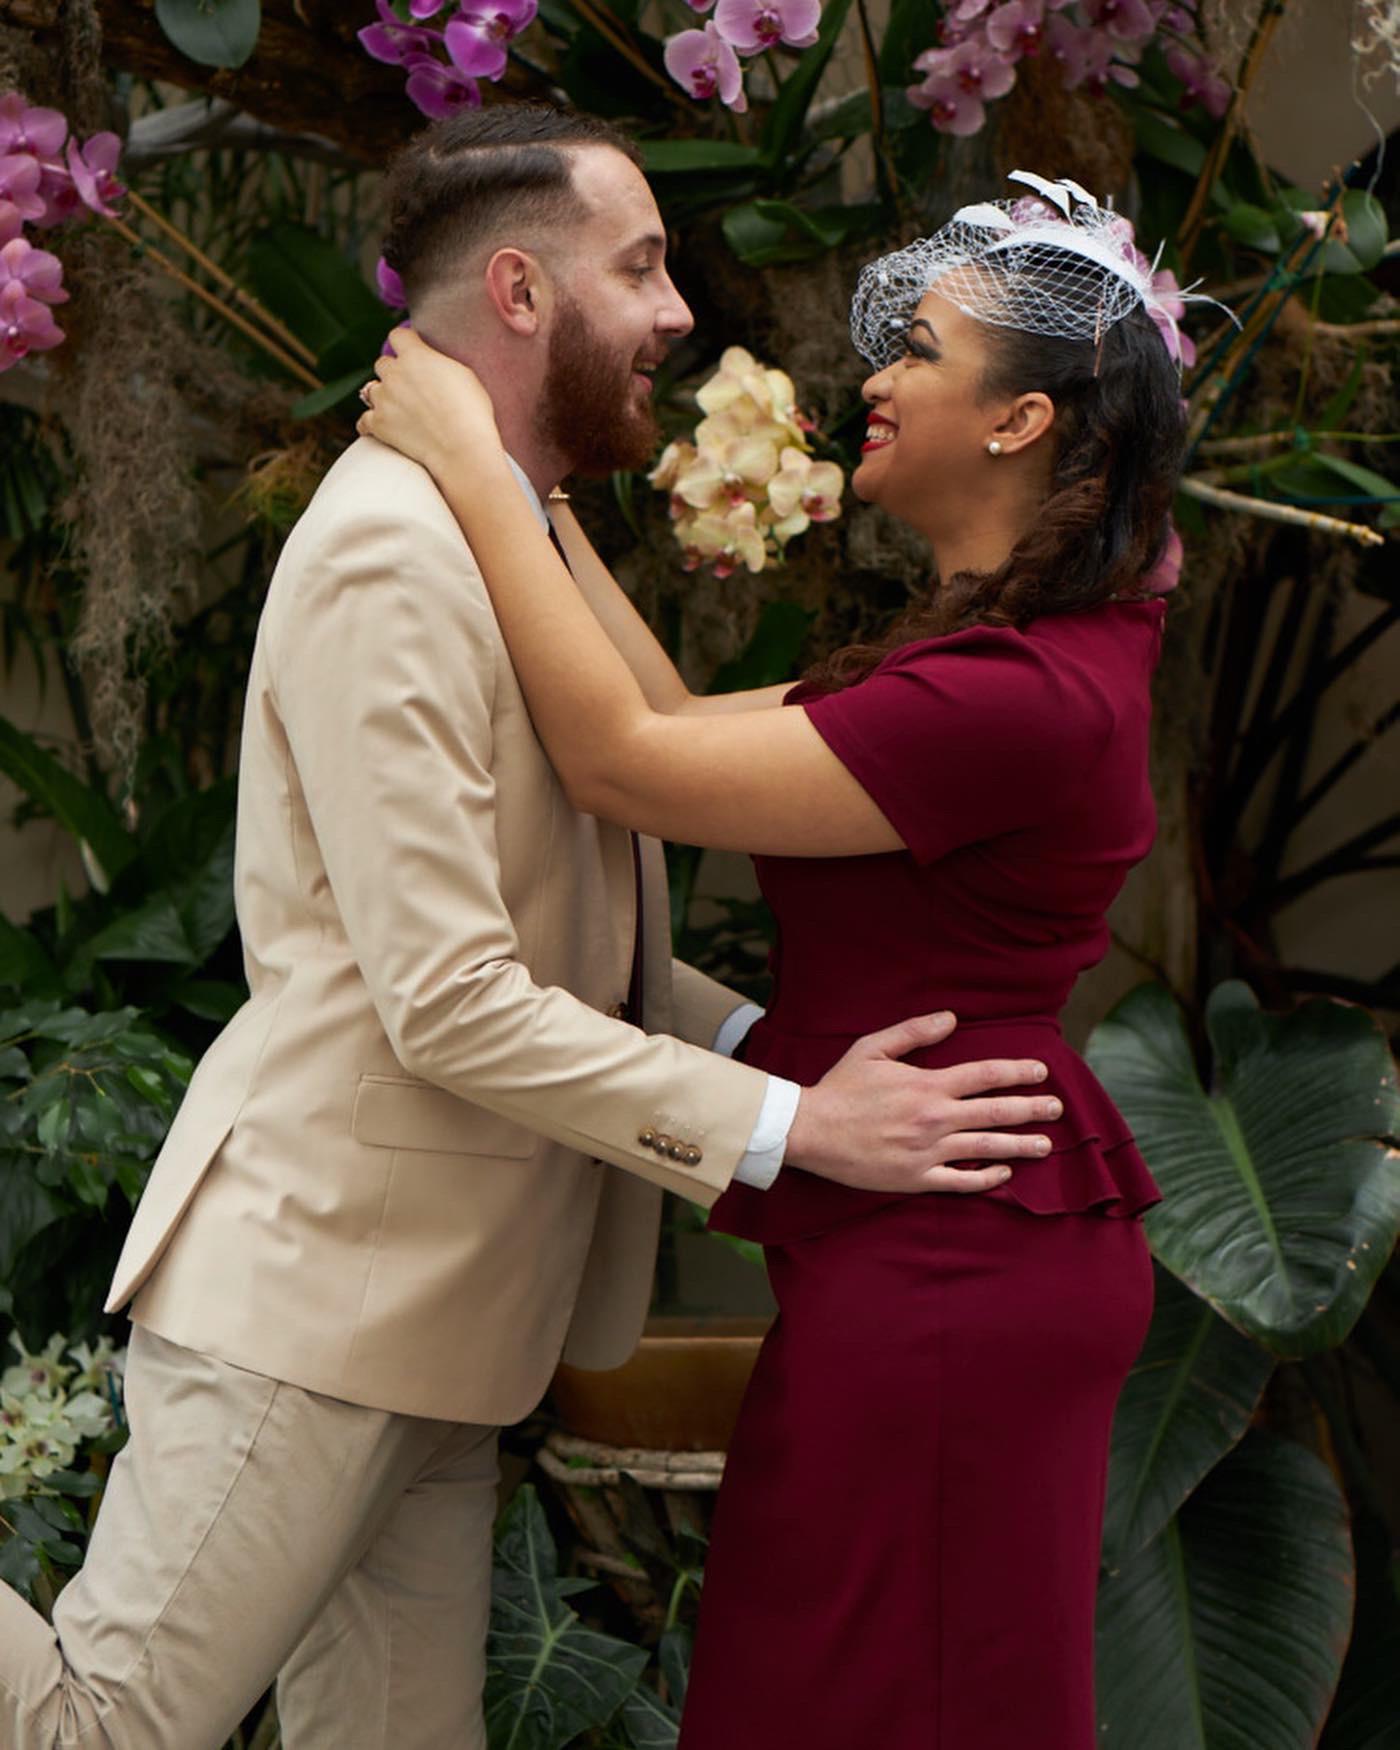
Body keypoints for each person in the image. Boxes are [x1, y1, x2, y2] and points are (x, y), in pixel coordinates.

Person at [0, 108, 1064, 1750]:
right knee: (92, 1728)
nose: (678, 311)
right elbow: (449, 997)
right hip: (323, 1296)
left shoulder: (503, 538)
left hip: (441, 1325)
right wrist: (790, 1126)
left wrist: (779, 1054)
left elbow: (567, 912)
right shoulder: (393, 552)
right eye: (639, 267)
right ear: (518, 290)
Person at [357, 171, 1189, 1749]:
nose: (876, 377)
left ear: (1018, 423)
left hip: (952, 1266)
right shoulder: (991, 658)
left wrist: (470, 463)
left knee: (881, 1702)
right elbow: (666, 717)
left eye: (921, 352)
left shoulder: (1012, 698)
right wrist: (532, 487)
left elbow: (620, 763)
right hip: (932, 1237)